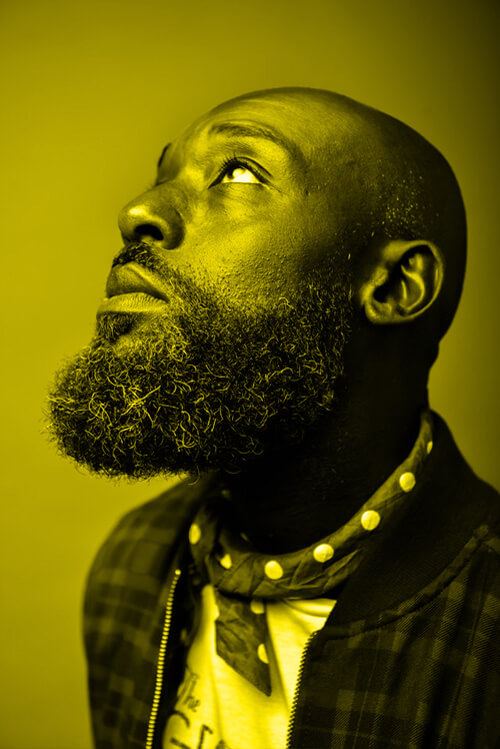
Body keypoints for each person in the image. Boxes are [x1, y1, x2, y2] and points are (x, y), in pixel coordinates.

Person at [48, 87, 500, 749]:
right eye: (160, 175)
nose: (138, 211)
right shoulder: (131, 566)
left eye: (239, 173)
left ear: (393, 285)